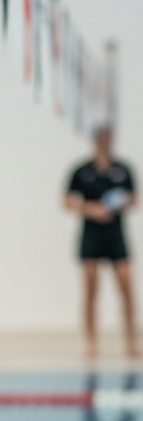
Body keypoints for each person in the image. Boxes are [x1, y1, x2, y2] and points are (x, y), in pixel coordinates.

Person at [64, 125, 139, 358]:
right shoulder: (82, 170)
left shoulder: (123, 169)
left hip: (116, 234)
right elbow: (67, 200)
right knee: (91, 289)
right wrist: (90, 209)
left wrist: (120, 204)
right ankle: (91, 342)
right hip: (92, 234)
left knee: (127, 287)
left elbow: (135, 198)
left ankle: (132, 341)